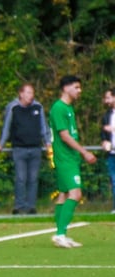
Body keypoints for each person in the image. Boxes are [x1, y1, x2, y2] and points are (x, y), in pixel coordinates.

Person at [48, 75, 97, 248]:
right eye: (76, 87)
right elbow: (64, 135)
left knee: (64, 194)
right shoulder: (59, 108)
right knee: (76, 194)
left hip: (70, 157)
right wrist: (84, 152)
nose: (79, 91)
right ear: (65, 88)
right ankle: (60, 234)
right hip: (65, 158)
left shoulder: (68, 108)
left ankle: (60, 234)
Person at [0, 83, 52, 215]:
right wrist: (1, 144)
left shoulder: (38, 107)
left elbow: (43, 126)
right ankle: (19, 206)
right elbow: (7, 127)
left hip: (35, 148)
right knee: (21, 178)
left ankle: (31, 207)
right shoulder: (13, 108)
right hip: (19, 149)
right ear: (21, 94)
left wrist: (47, 142)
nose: (31, 96)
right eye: (28, 92)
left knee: (33, 179)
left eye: (32, 93)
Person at [99, 88, 115, 213]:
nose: (106, 101)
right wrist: (104, 141)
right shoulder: (106, 115)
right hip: (112, 154)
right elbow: (103, 133)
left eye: (108, 97)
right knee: (114, 180)